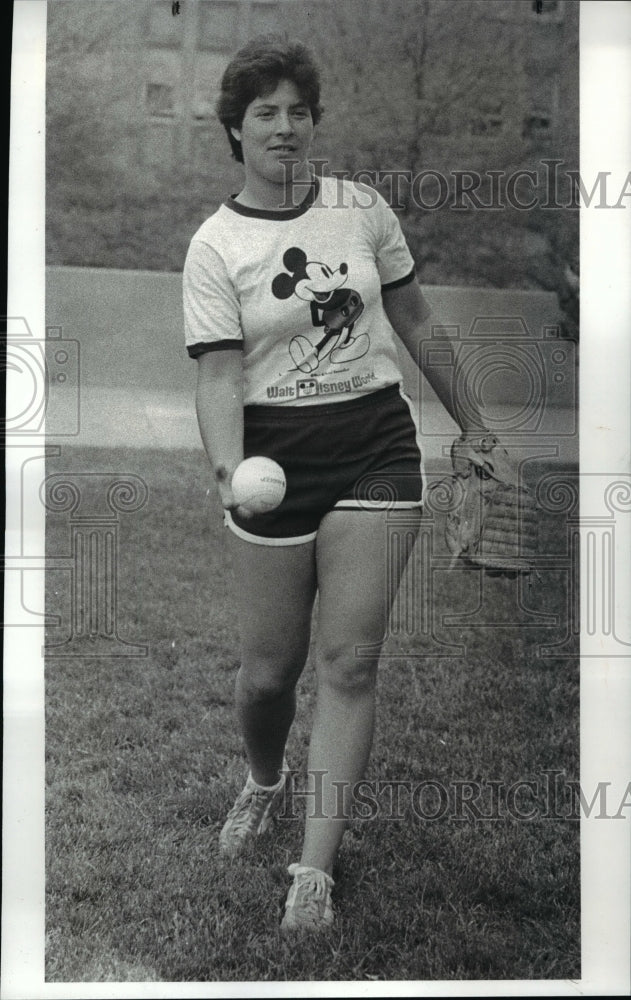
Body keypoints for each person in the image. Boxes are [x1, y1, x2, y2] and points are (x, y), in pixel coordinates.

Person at [183, 34, 485, 934]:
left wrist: (477, 426)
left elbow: (416, 320)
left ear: (313, 122)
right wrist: (230, 468)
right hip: (273, 463)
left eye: (297, 112)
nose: (284, 128)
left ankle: (310, 875)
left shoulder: (359, 209)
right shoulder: (215, 244)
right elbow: (215, 377)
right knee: (268, 675)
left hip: (374, 449)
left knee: (350, 661)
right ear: (235, 131)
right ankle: (263, 781)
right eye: (263, 115)